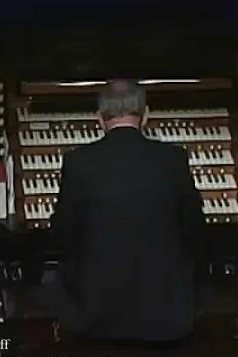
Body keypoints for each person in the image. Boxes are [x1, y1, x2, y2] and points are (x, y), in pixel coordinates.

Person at [31, 80, 207, 343]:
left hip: (95, 316)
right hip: (166, 315)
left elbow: (62, 238)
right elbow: (195, 231)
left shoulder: (79, 162)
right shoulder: (173, 158)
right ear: (146, 115)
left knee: (43, 287)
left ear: (99, 118)